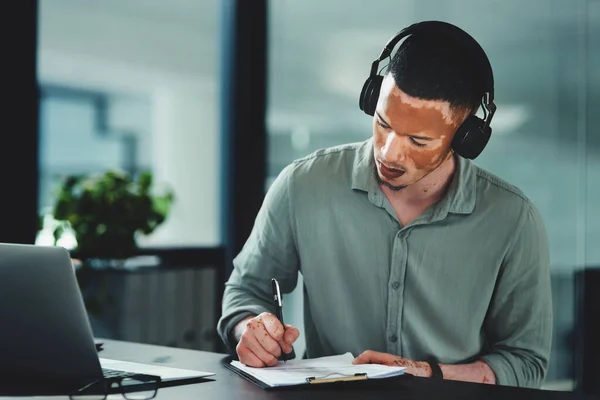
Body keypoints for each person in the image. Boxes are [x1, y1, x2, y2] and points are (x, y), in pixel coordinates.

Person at [217, 21, 552, 389]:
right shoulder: (303, 184)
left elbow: (526, 362)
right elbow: (246, 291)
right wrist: (248, 328)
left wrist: (427, 373)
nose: (390, 153)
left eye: (418, 141)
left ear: (465, 137)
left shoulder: (513, 219)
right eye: (383, 123)